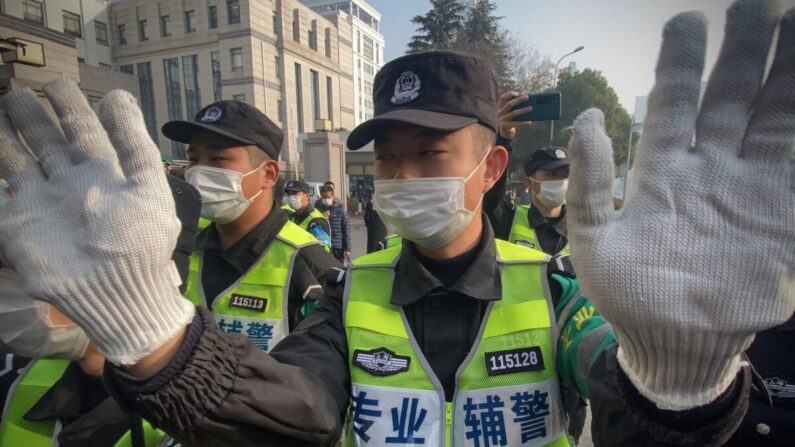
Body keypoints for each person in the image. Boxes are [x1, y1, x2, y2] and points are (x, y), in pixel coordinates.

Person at [0, 2, 792, 446]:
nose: (404, 177)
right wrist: (147, 327)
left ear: (491, 169)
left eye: (431, 152)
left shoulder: (555, 289)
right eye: (389, 158)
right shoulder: (345, 296)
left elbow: (622, 411)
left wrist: (678, 379)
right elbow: (291, 410)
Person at [282, 179, 332, 249]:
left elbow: (324, 250)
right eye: (289, 194)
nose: (291, 197)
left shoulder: (316, 221)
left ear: (307, 196)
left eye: (295, 193)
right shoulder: (293, 216)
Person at [319, 185, 351, 262]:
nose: (326, 199)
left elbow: (346, 231)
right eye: (324, 197)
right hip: (323, 247)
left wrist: (347, 249)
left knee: (338, 269)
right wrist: (322, 218)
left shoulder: (341, 212)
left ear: (333, 197)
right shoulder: (317, 212)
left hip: (337, 248)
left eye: (328, 197)